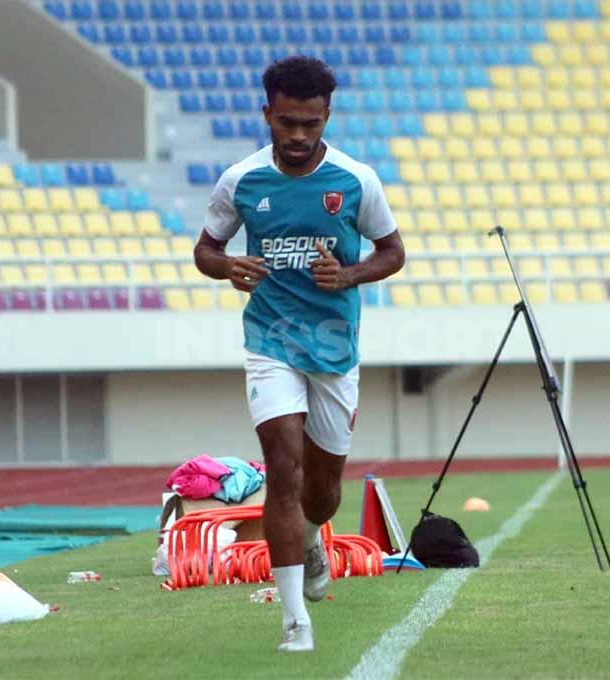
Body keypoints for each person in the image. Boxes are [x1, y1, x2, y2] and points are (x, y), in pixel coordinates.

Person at [193, 56, 405, 652]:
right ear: (267, 113)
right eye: (286, 122)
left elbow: (393, 252)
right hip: (270, 341)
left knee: (322, 491)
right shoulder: (241, 181)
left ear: (326, 116)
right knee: (281, 470)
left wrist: (352, 274)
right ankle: (295, 622)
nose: (297, 136)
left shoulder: (355, 180)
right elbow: (206, 250)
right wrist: (229, 265)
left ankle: (313, 537)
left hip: (335, 348)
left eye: (309, 124)